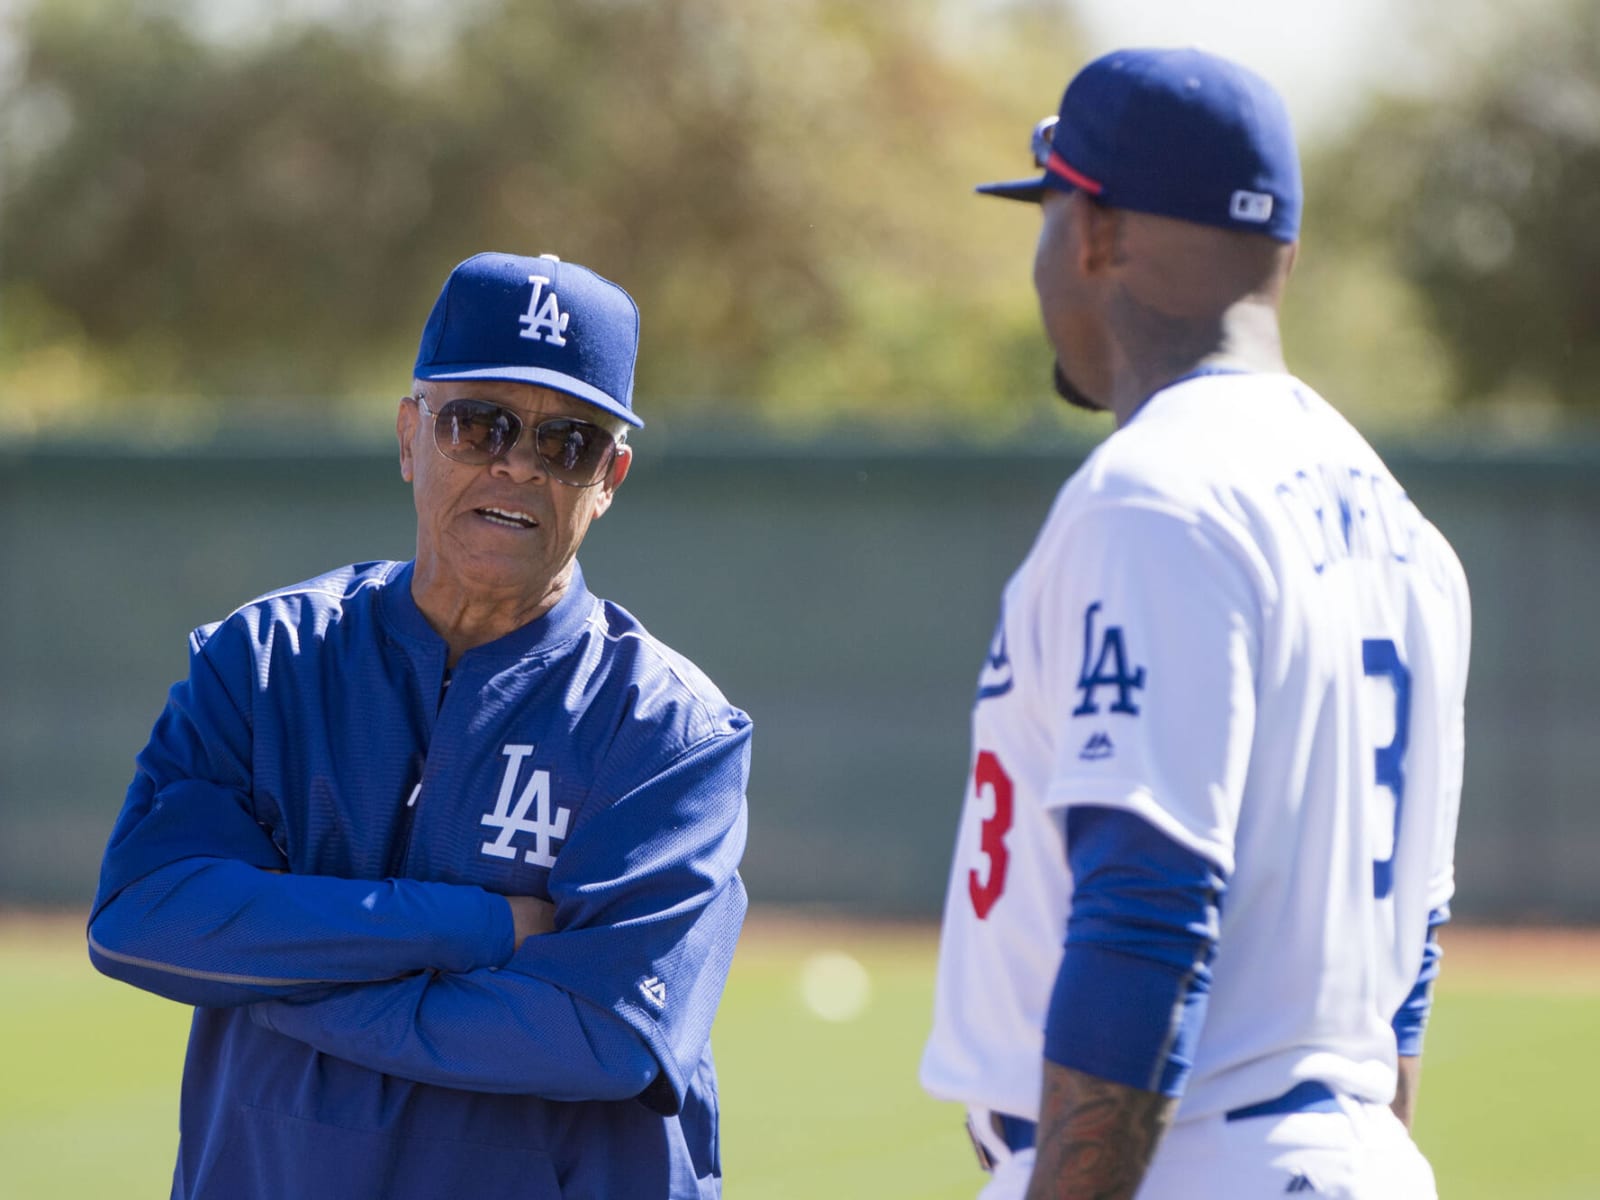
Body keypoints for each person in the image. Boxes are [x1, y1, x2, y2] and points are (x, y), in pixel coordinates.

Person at [920, 48, 1470, 1200]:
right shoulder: (1404, 532)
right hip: (1347, 1153)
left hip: (1191, 1160)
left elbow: (1147, 907)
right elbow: (1405, 971)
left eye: (1048, 209)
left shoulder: (1160, 492)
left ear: (1097, 235)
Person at [88, 251, 752, 1199]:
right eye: (479, 423)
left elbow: (604, 1036)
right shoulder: (264, 662)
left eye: (567, 441)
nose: (517, 461)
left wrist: (282, 980)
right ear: (411, 436)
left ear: (610, 477)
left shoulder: (667, 733)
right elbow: (140, 920)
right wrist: (485, 927)